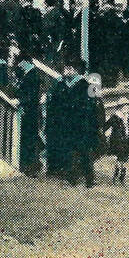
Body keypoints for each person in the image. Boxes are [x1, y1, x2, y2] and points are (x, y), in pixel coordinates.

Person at [45, 54, 88, 182]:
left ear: (75, 69)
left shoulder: (84, 84)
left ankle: (74, 173)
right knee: (61, 145)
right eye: (66, 67)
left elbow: (88, 105)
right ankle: (60, 169)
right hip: (60, 120)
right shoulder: (60, 83)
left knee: (74, 148)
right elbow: (53, 100)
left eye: (68, 68)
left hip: (76, 122)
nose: (65, 70)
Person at [12, 47, 43, 177]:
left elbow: (32, 95)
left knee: (30, 139)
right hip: (30, 111)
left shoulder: (33, 75)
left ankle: (33, 167)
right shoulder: (30, 74)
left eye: (20, 64)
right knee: (30, 138)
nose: (19, 67)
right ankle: (34, 165)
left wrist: (21, 101)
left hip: (31, 111)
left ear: (26, 62)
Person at [103, 102, 129, 184]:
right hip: (118, 141)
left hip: (128, 140)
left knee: (124, 158)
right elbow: (106, 125)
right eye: (124, 107)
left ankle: (120, 172)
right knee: (121, 156)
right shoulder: (115, 117)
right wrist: (103, 133)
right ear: (120, 108)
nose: (126, 109)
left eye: (127, 107)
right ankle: (119, 174)